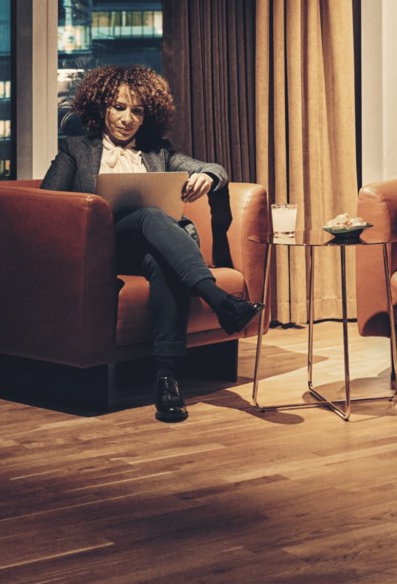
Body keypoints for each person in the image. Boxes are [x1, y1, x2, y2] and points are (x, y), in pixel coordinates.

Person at [42, 65, 264, 423]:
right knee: (151, 215)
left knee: (162, 262)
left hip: (142, 250)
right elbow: (47, 202)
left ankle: (166, 381)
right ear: (101, 107)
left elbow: (216, 168)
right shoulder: (76, 150)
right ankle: (220, 301)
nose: (127, 118)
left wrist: (206, 177)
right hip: (100, 249)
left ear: (148, 116)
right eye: (119, 107)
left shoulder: (158, 152)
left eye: (137, 111)